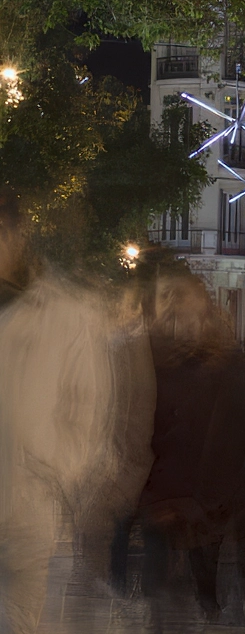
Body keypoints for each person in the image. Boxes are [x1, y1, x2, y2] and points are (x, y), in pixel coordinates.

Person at [0, 201, 153, 634]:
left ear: (14, 235)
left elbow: (89, 411)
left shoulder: (67, 316)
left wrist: (47, 471)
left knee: (18, 621)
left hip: (27, 513)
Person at [138, 270, 245, 626]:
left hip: (207, 509)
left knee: (204, 597)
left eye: (182, 305)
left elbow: (235, 442)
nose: (176, 316)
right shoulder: (168, 367)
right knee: (184, 599)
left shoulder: (234, 372)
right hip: (183, 509)